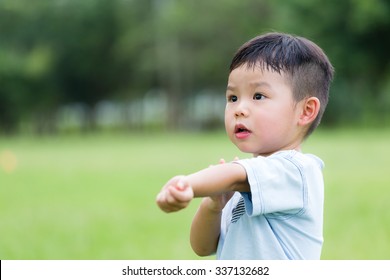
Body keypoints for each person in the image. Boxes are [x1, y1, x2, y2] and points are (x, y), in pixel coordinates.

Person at [156, 32, 334, 260]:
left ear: (305, 111)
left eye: (258, 96)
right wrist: (213, 205)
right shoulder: (247, 185)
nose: (239, 109)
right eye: (232, 98)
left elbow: (232, 175)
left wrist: (187, 184)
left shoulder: (297, 170)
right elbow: (202, 247)